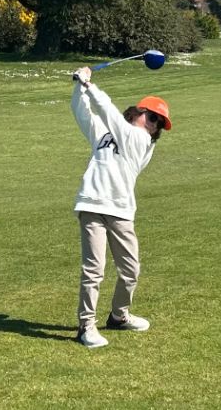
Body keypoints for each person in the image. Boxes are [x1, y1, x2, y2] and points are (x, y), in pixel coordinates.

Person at [69, 66, 172, 349]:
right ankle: (86, 326)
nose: (154, 126)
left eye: (159, 124)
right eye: (152, 117)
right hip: (92, 203)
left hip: (121, 211)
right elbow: (82, 113)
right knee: (94, 270)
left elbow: (109, 113)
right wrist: (79, 87)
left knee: (130, 269)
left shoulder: (141, 140)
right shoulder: (107, 132)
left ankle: (119, 315)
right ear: (138, 112)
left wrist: (90, 85)